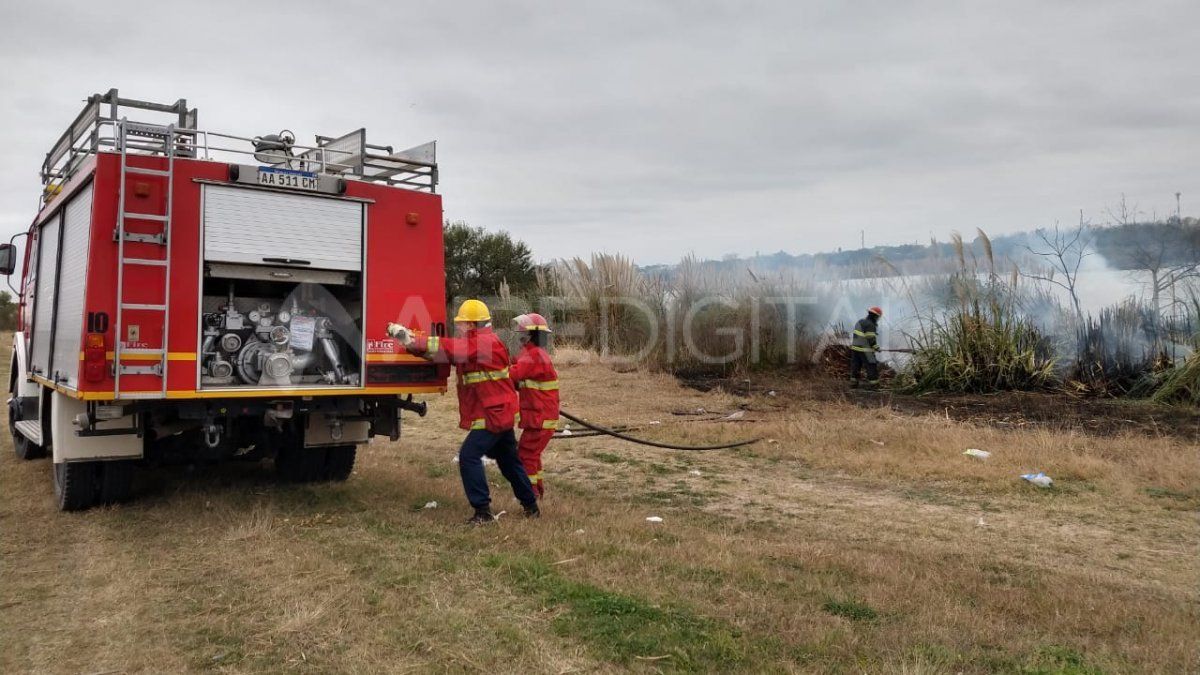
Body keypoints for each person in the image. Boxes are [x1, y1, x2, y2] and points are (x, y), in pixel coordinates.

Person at [387, 299, 539, 525]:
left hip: (493, 414)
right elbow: (445, 354)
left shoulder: (483, 343)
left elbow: (450, 348)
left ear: (472, 324)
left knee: (469, 456)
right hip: (498, 412)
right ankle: (531, 506)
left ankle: (483, 512)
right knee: (509, 462)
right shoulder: (480, 343)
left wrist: (411, 339)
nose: (457, 326)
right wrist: (411, 344)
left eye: (461, 323)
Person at [508, 313, 560, 498]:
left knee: (526, 454)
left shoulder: (534, 356)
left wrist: (493, 367)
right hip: (540, 416)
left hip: (540, 418)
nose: (519, 336)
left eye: (522, 333)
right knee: (532, 454)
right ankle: (537, 489)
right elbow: (519, 381)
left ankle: (531, 495)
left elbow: (512, 375)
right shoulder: (533, 355)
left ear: (530, 335)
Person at [849, 306, 883, 389]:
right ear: (875, 316)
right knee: (871, 366)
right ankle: (874, 385)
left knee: (856, 366)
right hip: (865, 350)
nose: (878, 319)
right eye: (878, 317)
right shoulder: (871, 325)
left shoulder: (860, 321)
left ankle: (853, 383)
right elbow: (871, 339)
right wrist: (876, 347)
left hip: (855, 349)